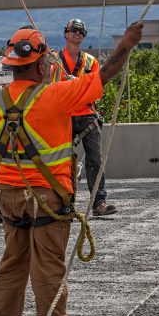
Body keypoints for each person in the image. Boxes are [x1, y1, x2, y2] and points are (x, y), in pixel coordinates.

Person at [0, 22, 143, 316]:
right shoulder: (55, 96)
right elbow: (104, 74)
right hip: (46, 198)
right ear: (39, 66)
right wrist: (126, 45)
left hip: (8, 196)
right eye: (47, 60)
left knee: (13, 262)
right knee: (49, 266)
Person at [52, 18, 116, 217]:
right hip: (64, 115)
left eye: (81, 31)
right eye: (74, 30)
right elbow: (49, 90)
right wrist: (70, 86)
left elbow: (97, 91)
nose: (78, 33)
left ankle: (99, 203)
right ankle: (64, 204)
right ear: (66, 34)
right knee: (61, 161)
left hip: (87, 115)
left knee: (95, 160)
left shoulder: (90, 62)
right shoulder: (54, 62)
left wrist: (78, 83)